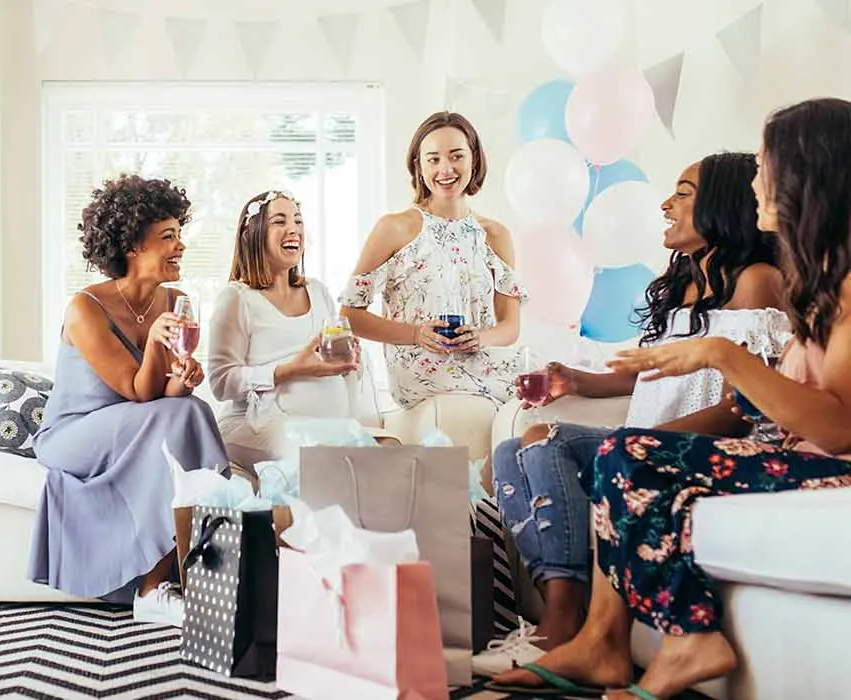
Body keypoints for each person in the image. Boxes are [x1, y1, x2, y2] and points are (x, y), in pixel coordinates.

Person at [491, 97, 851, 699]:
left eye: (766, 163)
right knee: (616, 453)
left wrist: (721, 356)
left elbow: (838, 429)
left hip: (828, 468)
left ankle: (683, 638)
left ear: (803, 172)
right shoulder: (817, 278)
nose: (758, 178)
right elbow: (780, 401)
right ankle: (603, 641)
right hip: (798, 453)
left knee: (627, 455)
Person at [479, 153, 790, 671]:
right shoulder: (687, 281)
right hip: (650, 440)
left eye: (683, 193)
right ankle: (564, 613)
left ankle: (562, 623)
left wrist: (646, 442)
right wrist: (579, 380)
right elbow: (655, 369)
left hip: (703, 444)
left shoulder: (755, 282)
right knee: (515, 450)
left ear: (722, 205)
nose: (666, 205)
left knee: (547, 442)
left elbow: (745, 408)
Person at [28, 174, 229, 623]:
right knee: (183, 415)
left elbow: (164, 395)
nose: (180, 246)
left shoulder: (177, 300)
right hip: (76, 432)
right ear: (134, 246)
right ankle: (153, 587)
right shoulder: (84, 308)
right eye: (168, 237)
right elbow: (138, 392)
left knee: (191, 408)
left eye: (180, 234)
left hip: (136, 424)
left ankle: (191, 574)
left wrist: (185, 378)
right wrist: (157, 344)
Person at [339, 111, 528, 408]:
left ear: (474, 159)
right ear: (419, 165)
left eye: (456, 156)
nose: (446, 169)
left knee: (545, 387)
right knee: (522, 397)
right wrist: (415, 334)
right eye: (433, 159)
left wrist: (481, 337)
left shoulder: (495, 235)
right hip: (419, 368)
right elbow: (350, 315)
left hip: (481, 359)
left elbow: (510, 327)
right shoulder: (394, 227)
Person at [209, 190, 390, 468]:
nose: (293, 229)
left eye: (298, 220)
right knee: (319, 453)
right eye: (279, 221)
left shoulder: (317, 291)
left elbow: (335, 364)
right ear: (252, 235)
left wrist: (349, 358)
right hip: (258, 426)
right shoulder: (237, 298)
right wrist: (292, 369)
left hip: (326, 428)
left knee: (390, 447)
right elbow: (221, 383)